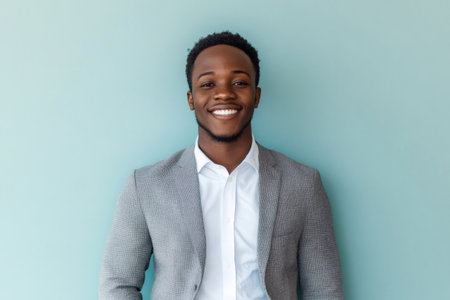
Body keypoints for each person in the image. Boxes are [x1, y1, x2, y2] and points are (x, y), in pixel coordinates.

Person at [99, 31, 343, 300]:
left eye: (239, 82)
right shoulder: (146, 187)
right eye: (208, 84)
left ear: (256, 96)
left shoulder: (302, 184)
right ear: (191, 99)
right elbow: (118, 285)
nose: (224, 93)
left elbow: (324, 290)